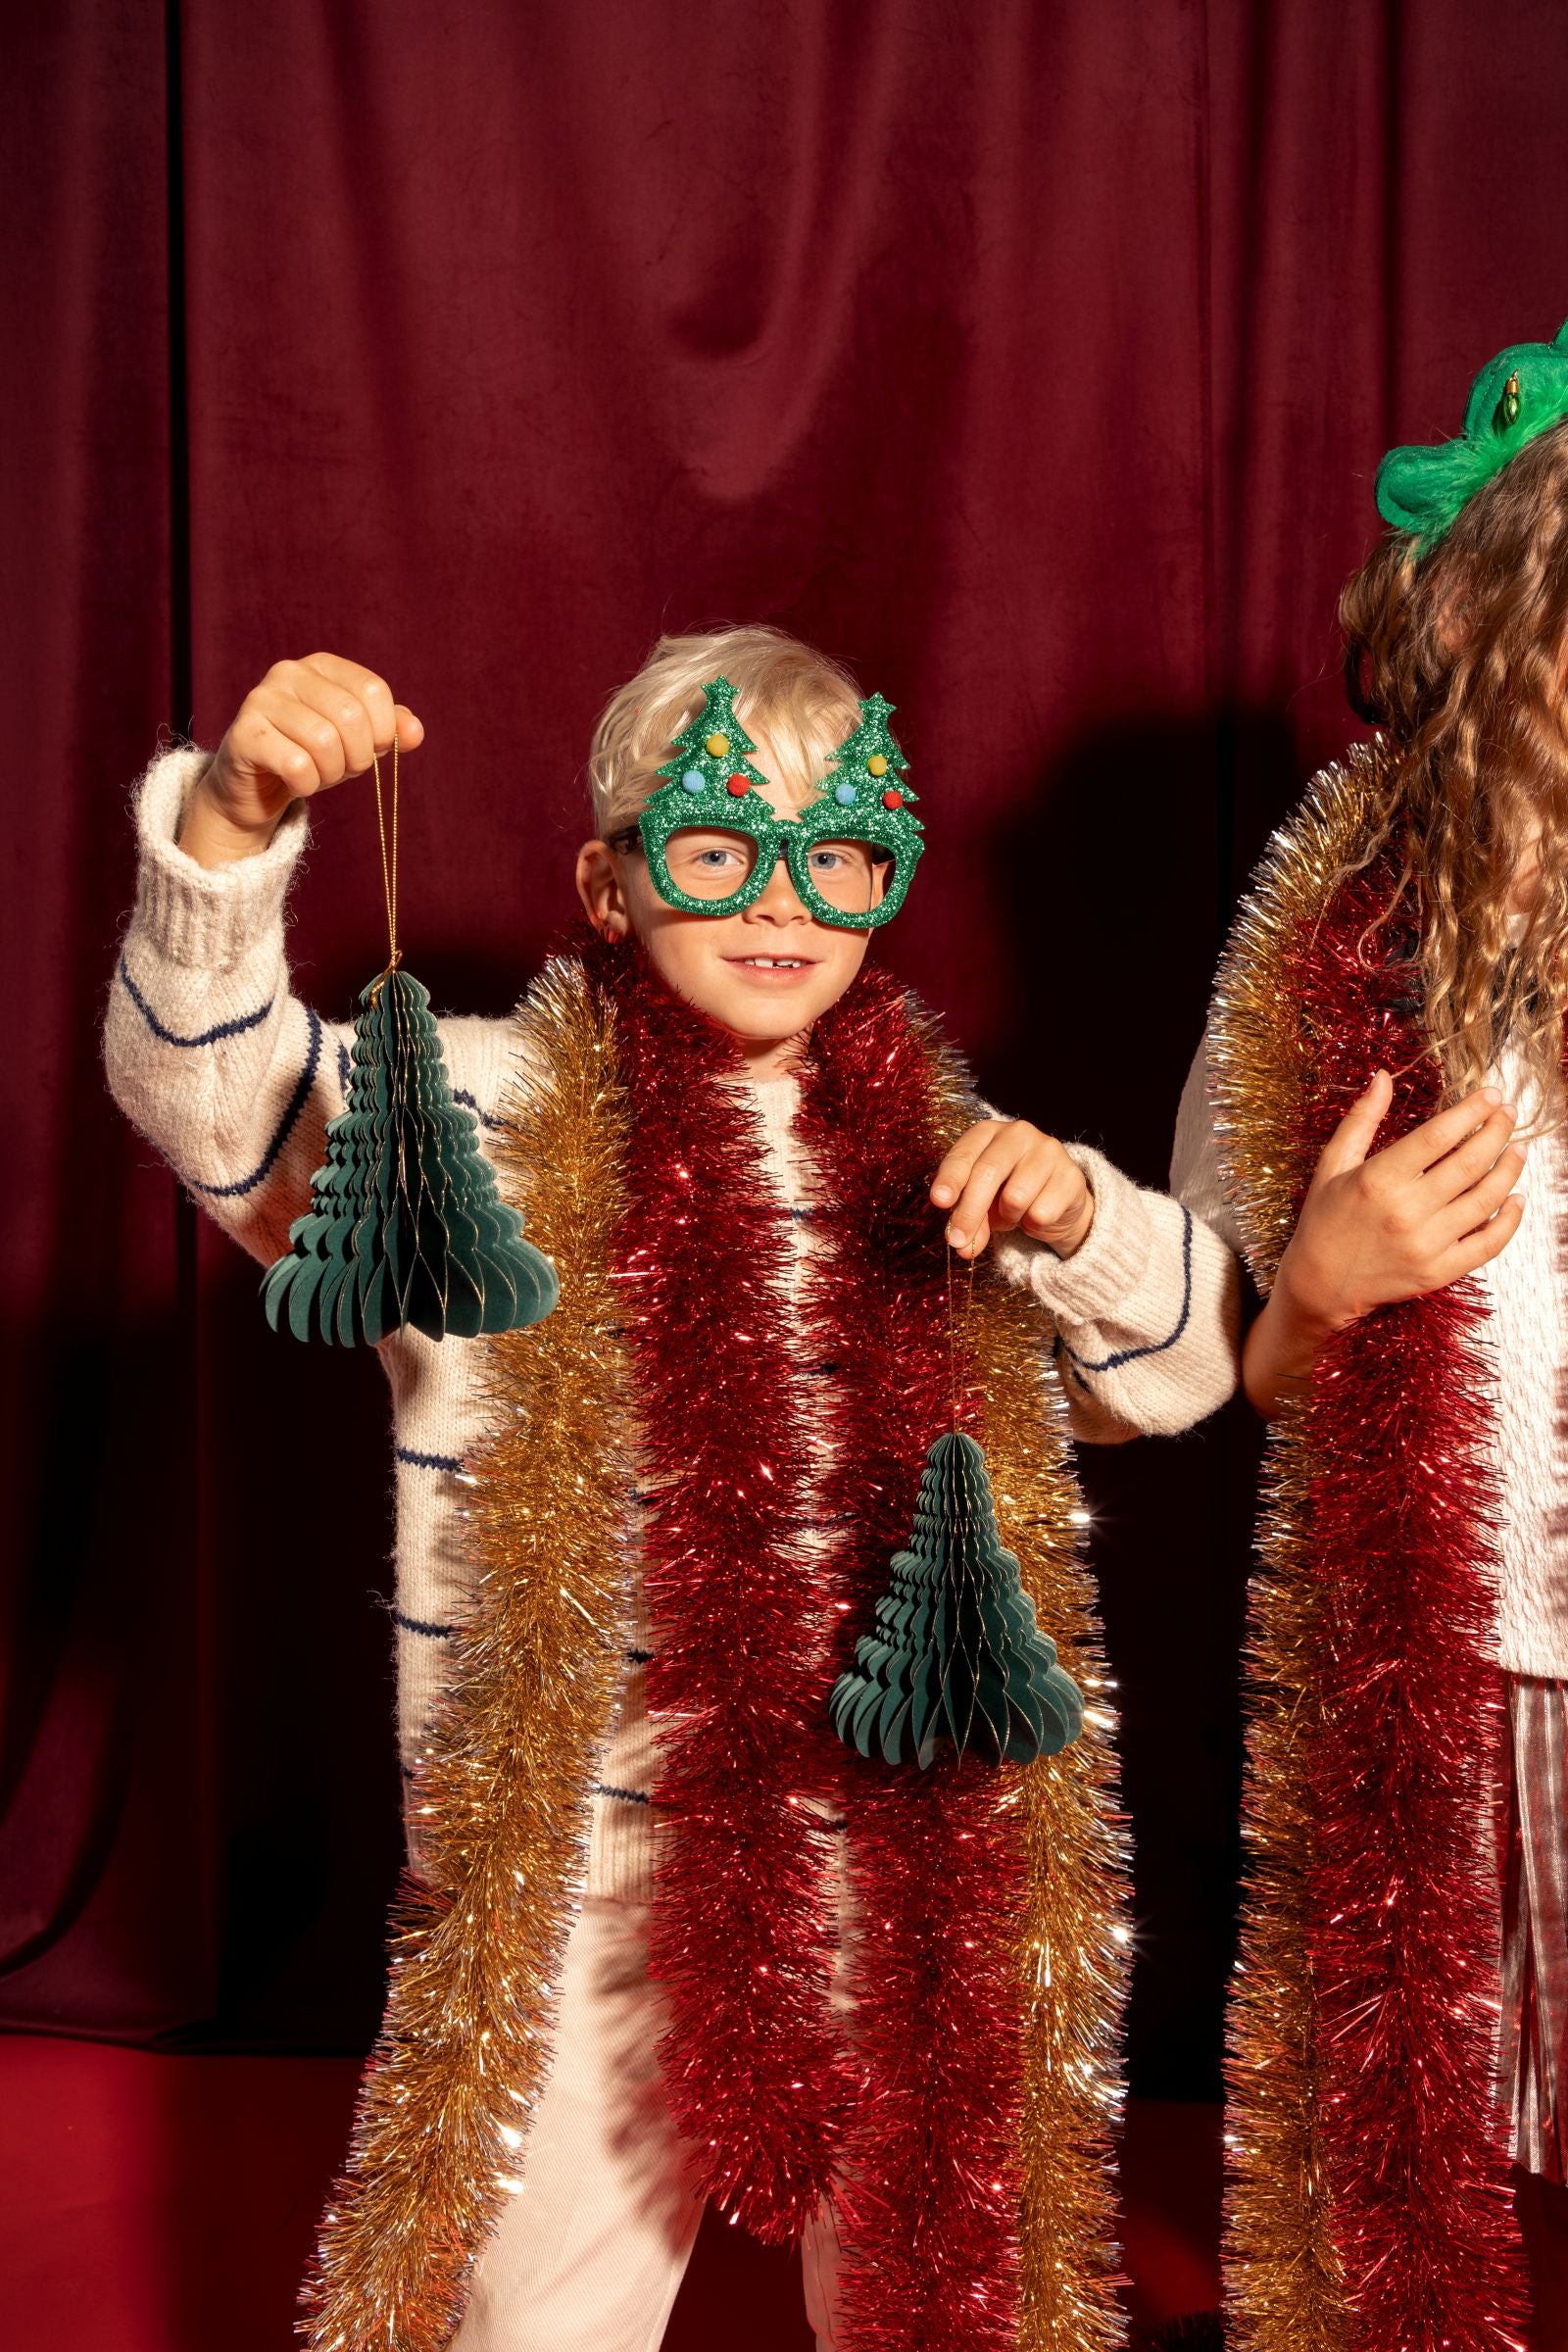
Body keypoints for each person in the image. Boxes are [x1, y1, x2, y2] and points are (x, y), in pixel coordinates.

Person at [105, 624, 1240, 2352]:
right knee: (530, 2315)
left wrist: (1077, 1214)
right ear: (611, 885)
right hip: (573, 1862)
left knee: (941, 2303)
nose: (784, 906)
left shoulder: (944, 1157)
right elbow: (210, 1105)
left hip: (898, 1831)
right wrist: (233, 824)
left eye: (841, 858)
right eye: (721, 850)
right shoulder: (473, 1118)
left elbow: (1185, 1369)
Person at [1173, 321, 1568, 2350]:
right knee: (1417, 2189)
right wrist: (1319, 1280)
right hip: (1453, 1670)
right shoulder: (1334, 911)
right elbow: (1228, 1364)